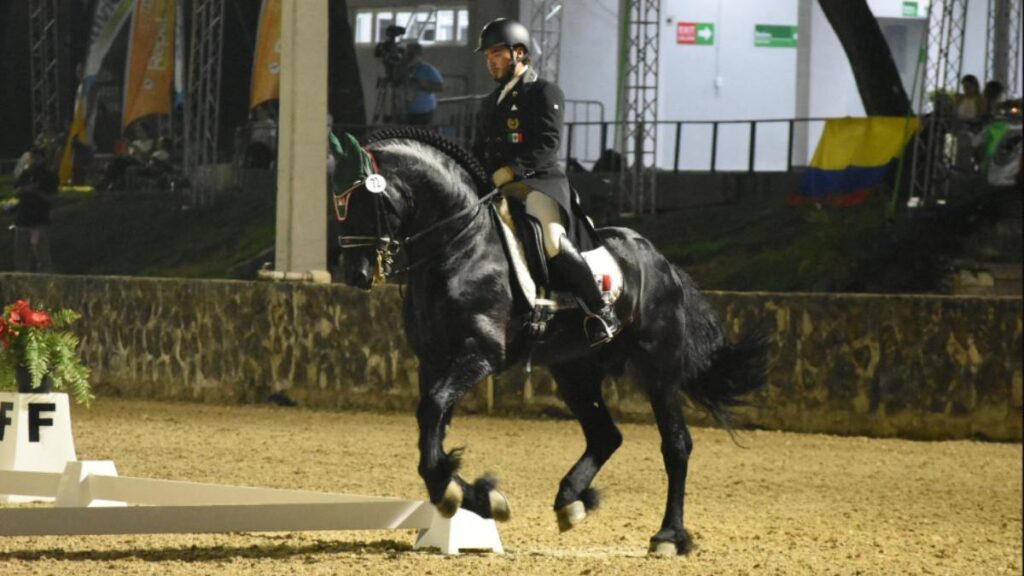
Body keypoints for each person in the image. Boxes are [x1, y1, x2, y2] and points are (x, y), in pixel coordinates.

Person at [471, 18, 619, 346]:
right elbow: (478, 151)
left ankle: (600, 310)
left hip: (539, 184)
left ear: (519, 53)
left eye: (496, 53)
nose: (490, 61)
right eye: (488, 56)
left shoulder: (543, 91)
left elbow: (547, 143)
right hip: (497, 188)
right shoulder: (488, 104)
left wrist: (510, 171)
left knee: (551, 238)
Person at [9, 147, 57, 272]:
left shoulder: (49, 175)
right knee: (20, 257)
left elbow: (51, 198)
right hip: (22, 220)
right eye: (33, 158)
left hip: (39, 221)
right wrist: (25, 190)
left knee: (42, 257)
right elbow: (16, 191)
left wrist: (36, 192)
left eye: (37, 158)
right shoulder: (26, 174)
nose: (34, 161)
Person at [401, 42, 444, 125]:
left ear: (419, 54)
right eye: (408, 54)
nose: (410, 56)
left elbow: (440, 87)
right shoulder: (403, 69)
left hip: (423, 111)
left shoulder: (427, 69)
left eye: (412, 54)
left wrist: (423, 84)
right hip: (405, 110)